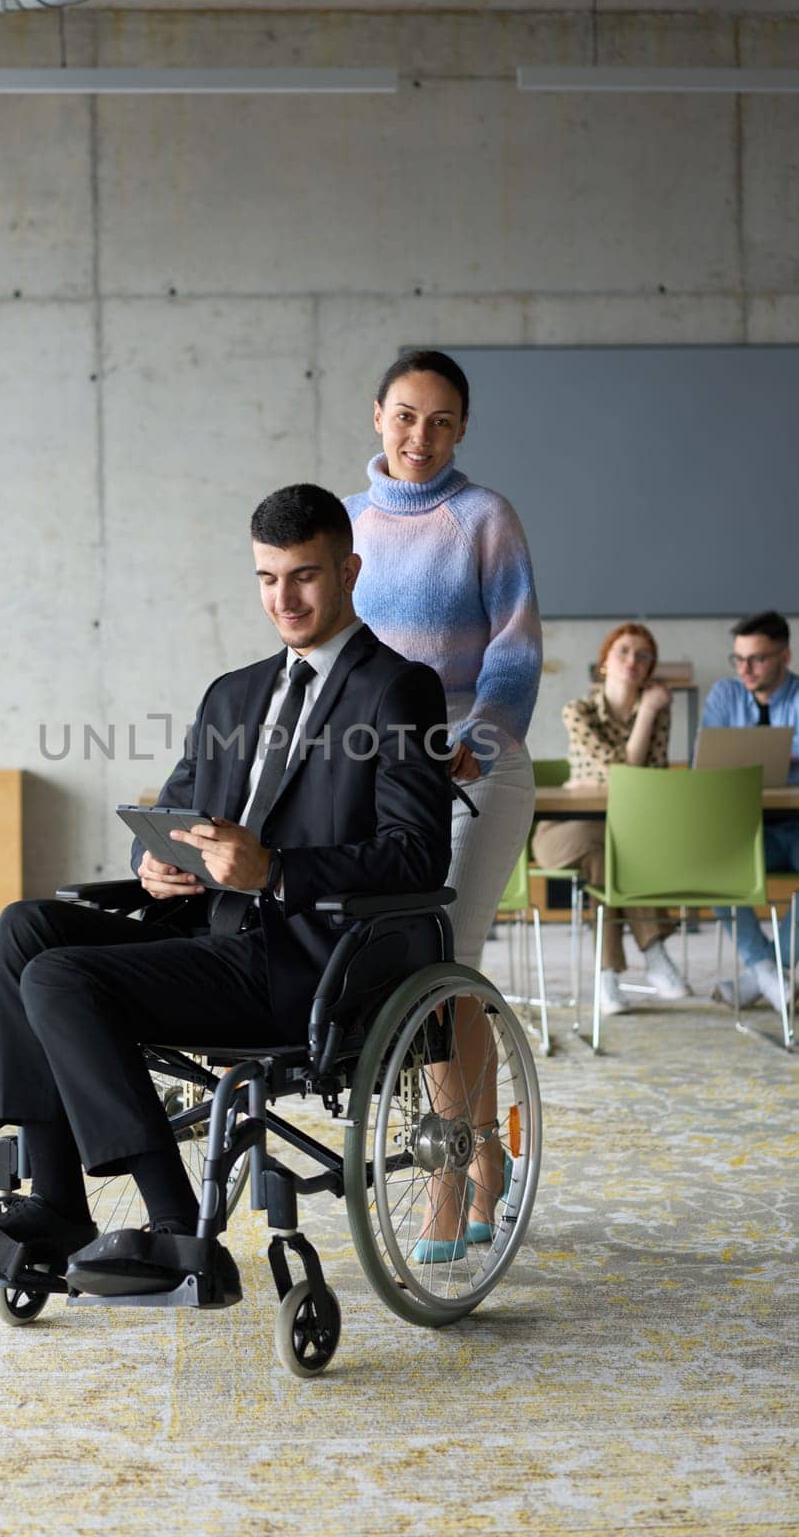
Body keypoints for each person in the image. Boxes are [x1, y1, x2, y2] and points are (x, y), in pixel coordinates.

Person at [0, 483, 451, 1300]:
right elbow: (179, 815)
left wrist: (276, 869)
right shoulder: (232, 694)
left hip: (307, 962)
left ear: (349, 571)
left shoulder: (397, 691)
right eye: (266, 578)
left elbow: (417, 858)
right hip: (208, 935)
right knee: (26, 928)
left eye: (305, 576)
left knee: (60, 976)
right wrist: (157, 867)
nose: (284, 597)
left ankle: (178, 1229)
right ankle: (58, 1201)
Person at [344, 349, 542, 1258]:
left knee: (442, 960)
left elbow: (514, 644)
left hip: (474, 767)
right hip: (378, 772)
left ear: (460, 430)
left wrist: (485, 738)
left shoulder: (481, 517)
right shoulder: (346, 525)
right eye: (405, 415)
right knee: (426, 975)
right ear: (377, 416)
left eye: (440, 421)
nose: (419, 435)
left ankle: (446, 1175)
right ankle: (486, 1149)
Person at [532, 622, 691, 1016]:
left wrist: (649, 715)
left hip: (615, 838)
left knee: (609, 852)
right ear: (604, 662)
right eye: (623, 651)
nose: (633, 660)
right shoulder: (579, 711)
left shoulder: (656, 716)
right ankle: (654, 952)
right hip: (561, 833)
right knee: (613, 847)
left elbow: (645, 784)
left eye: (643, 655)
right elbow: (627, 769)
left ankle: (607, 978)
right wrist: (650, 710)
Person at [702, 610, 799, 1011]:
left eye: (757, 658)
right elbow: (708, 762)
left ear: (785, 657)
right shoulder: (725, 695)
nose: (745, 668)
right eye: (738, 658)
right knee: (710, 869)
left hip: (794, 825)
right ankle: (766, 971)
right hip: (742, 826)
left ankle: (759, 976)